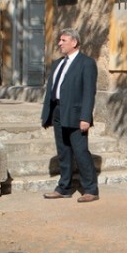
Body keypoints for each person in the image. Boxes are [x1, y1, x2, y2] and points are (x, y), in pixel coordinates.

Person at [40, 28, 100, 203]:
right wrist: (47, 114)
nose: (59, 43)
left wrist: (85, 118)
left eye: (63, 40)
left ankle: (90, 189)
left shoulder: (86, 63)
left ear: (74, 42)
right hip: (58, 111)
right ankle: (64, 188)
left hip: (76, 114)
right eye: (60, 40)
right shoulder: (58, 63)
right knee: (63, 151)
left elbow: (89, 92)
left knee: (80, 151)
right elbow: (52, 89)